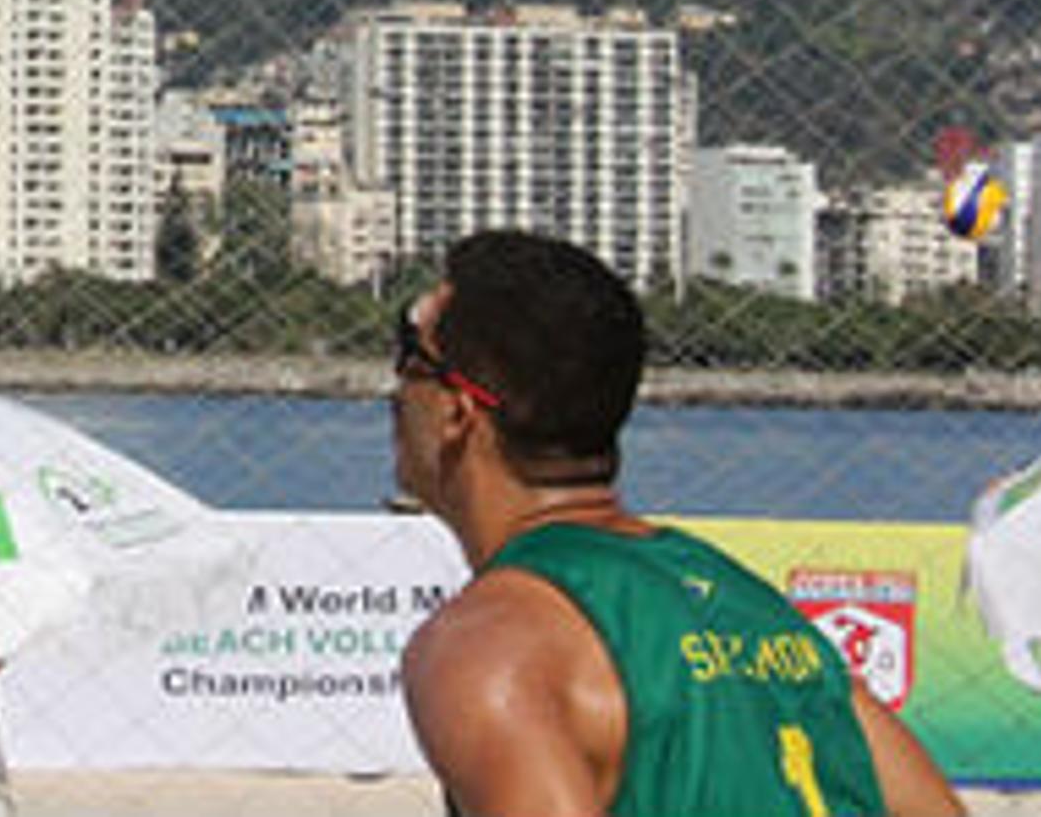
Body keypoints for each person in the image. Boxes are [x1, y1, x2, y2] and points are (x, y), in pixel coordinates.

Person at [394, 229, 965, 817]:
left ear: (456, 412)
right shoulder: (755, 610)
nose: (393, 392)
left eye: (408, 356)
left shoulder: (490, 647)